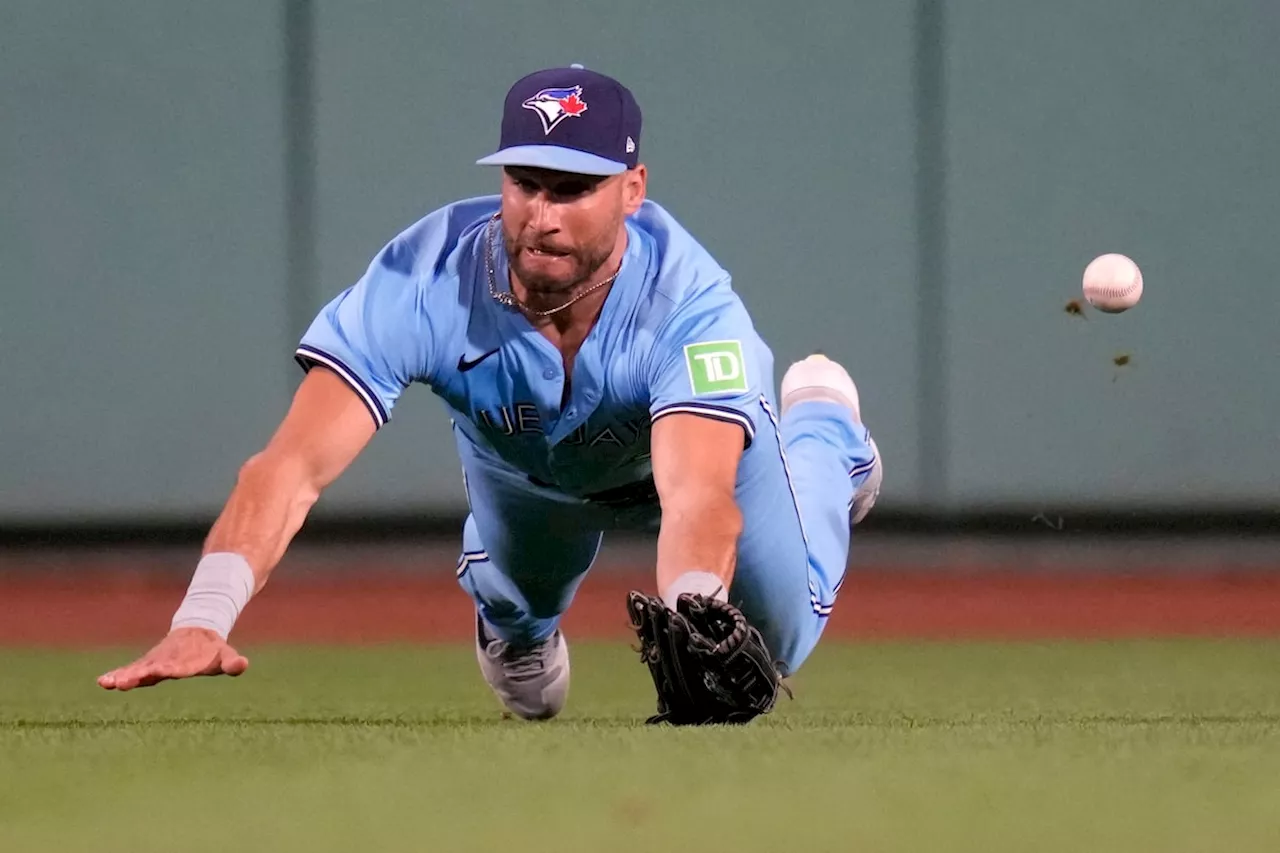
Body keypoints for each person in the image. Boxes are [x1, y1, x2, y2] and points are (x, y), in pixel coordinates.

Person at [97, 64, 881, 723]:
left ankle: (825, 432)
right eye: (524, 181)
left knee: (777, 641)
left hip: (675, 469)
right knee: (521, 650)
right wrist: (202, 616)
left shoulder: (692, 309)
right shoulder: (425, 279)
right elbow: (289, 467)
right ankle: (511, 615)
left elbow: (699, 494)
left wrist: (696, 605)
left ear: (632, 190)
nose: (541, 215)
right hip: (527, 471)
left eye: (572, 187)